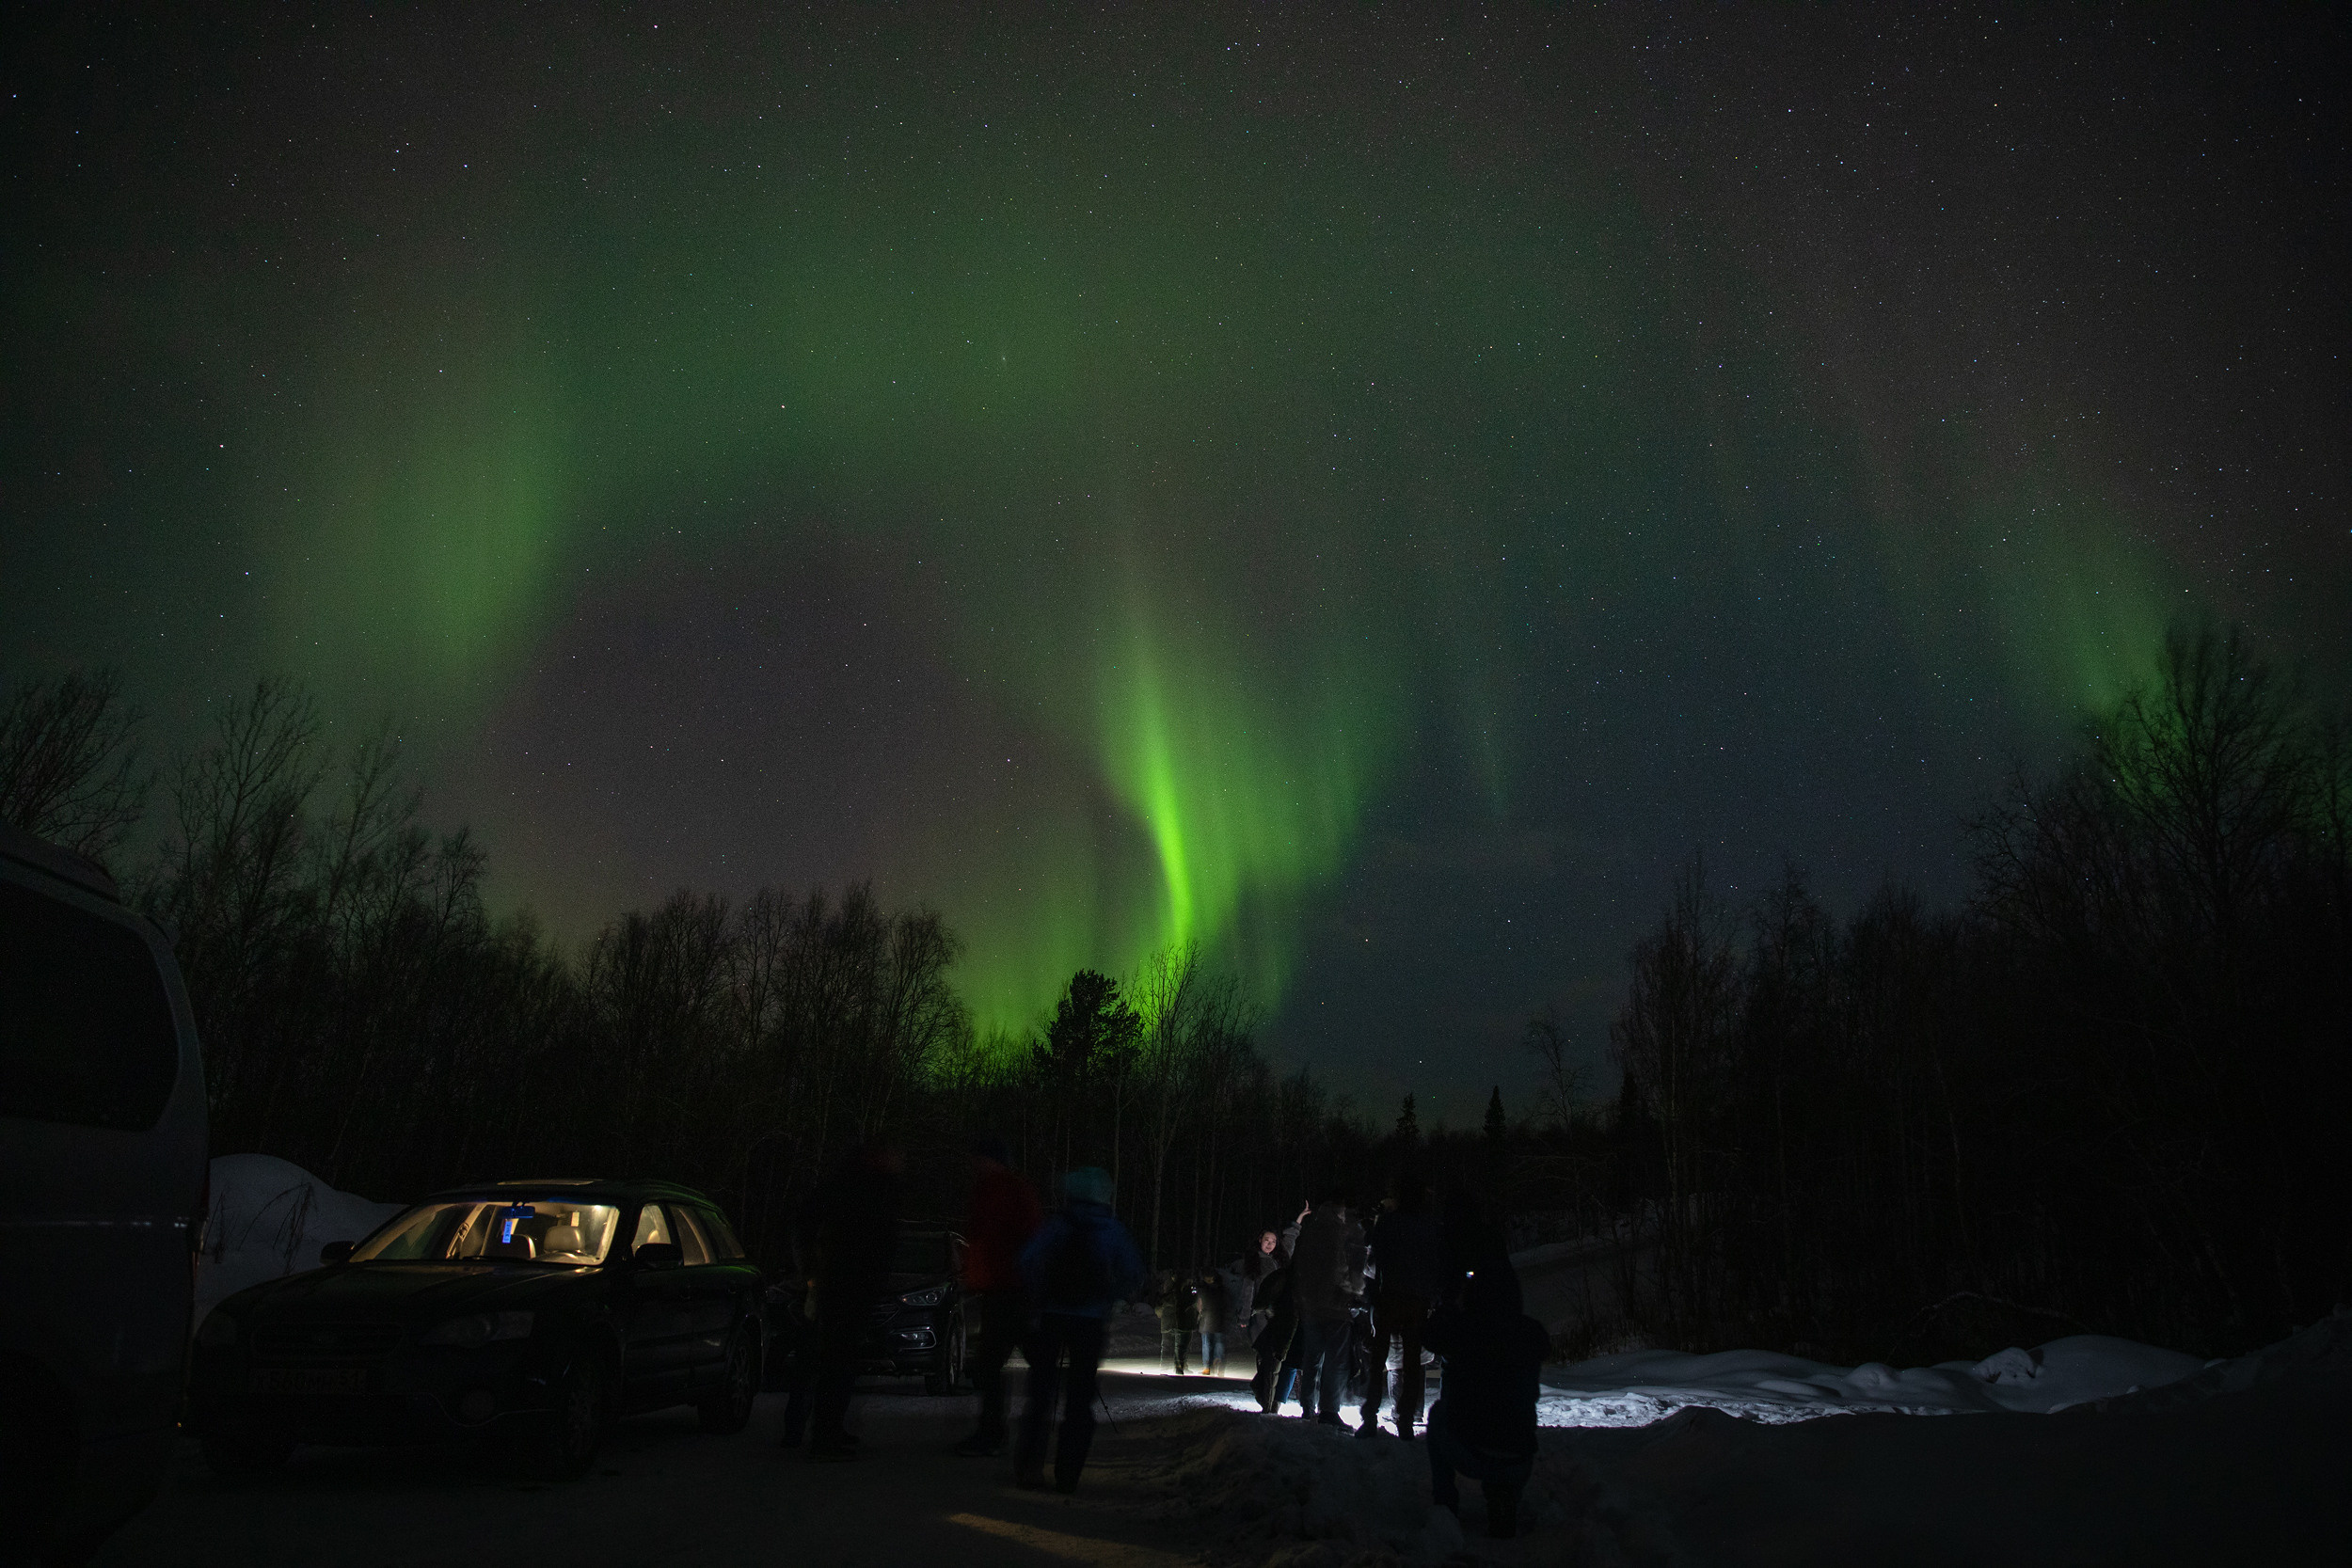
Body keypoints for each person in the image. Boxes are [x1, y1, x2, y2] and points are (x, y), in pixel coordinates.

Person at [1016, 1167, 1144, 1494]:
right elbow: (1133, 1273)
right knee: (1079, 1398)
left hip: (1052, 1317)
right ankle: (1068, 1473)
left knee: (1041, 1394)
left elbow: (1027, 1261)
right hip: (1090, 1321)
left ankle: (1029, 1467)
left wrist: (1040, 1295)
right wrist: (1108, 1297)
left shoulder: (1056, 1225)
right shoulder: (1111, 1229)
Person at [1420, 1260, 1548, 1540]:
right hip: (1519, 1455)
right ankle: (1503, 1496)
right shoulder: (1530, 1331)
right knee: (1503, 1427)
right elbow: (1543, 1347)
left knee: (1439, 1415)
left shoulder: (1465, 1328)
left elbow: (1429, 1336)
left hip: (1472, 1450)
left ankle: (1446, 1504)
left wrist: (1450, 1304)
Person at [799, 1139, 903, 1461]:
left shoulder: (848, 1187)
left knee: (838, 1361)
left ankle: (828, 1430)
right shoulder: (866, 1191)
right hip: (848, 1285)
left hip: (845, 1283)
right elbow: (879, 1237)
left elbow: (807, 1224)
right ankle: (825, 1436)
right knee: (838, 1361)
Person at [954, 1132, 1041, 1458]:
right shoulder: (997, 1188)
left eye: (980, 1159)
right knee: (997, 1361)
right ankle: (1002, 1431)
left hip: (1008, 1288)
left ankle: (998, 1432)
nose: (975, 1164)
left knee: (991, 1362)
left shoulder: (1006, 1189)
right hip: (1000, 1287)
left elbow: (1023, 1236)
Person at [1361, 1174, 1445, 1440]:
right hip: (1416, 1300)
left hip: (1390, 1296)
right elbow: (1435, 1264)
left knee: (1380, 1362)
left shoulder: (1389, 1223)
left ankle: (1370, 1417)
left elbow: (1373, 1265)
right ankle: (1406, 1420)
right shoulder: (1429, 1226)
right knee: (1411, 1362)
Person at [1287, 1189, 1366, 1427]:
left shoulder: (1312, 1231)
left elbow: (1299, 1267)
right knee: (1336, 1359)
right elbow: (1344, 1270)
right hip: (1335, 1306)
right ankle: (1329, 1410)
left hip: (1311, 1306)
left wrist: (1301, 1298)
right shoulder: (1342, 1233)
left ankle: (1307, 1406)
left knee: (1312, 1357)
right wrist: (1354, 1290)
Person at [1249, 1250, 1296, 1413]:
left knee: (1274, 1364)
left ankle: (1270, 1406)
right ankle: (1271, 1405)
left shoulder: (1282, 1276)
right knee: (1283, 1365)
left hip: (1282, 1323)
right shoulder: (1292, 1277)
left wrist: (1258, 1307)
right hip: (1287, 1323)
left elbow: (1263, 1299)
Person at [1154, 1269, 1200, 1373]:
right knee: (1181, 1348)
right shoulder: (1189, 1287)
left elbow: (1159, 1303)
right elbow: (1193, 1299)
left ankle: (1164, 1369)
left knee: (1166, 1348)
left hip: (1167, 1322)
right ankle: (1179, 1369)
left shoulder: (1167, 1286)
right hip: (1183, 1322)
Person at [1198, 1267, 1230, 1375]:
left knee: (1206, 1344)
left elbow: (1199, 1304)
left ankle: (1207, 1367)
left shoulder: (1202, 1289)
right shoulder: (1222, 1289)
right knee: (1219, 1343)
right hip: (1219, 1319)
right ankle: (1219, 1363)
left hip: (1206, 1320)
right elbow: (1227, 1304)